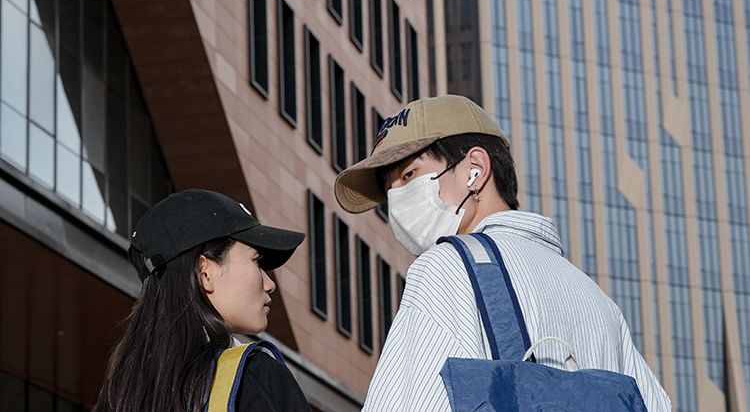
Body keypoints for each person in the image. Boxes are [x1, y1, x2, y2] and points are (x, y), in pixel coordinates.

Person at [334, 94, 671, 411]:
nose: (397, 203)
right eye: (390, 191)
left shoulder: (448, 266)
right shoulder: (596, 299)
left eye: (409, 175)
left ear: (475, 169)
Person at [93, 188, 310, 412]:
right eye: (257, 261)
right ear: (204, 273)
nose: (269, 284)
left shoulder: (119, 394)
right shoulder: (254, 377)